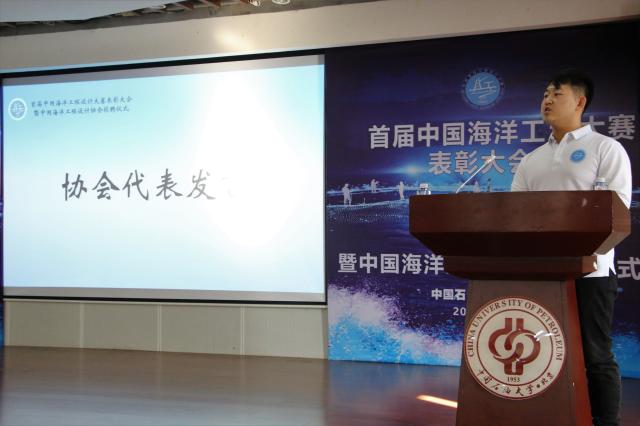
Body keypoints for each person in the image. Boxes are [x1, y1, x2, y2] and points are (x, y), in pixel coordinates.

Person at [511, 70, 631, 426]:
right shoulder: (531, 160)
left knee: (596, 355)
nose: (547, 100)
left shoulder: (605, 148)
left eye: (556, 93)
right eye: (545, 93)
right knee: (542, 354)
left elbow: (616, 212)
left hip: (591, 272)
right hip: (541, 274)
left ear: (580, 102)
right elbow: (514, 214)